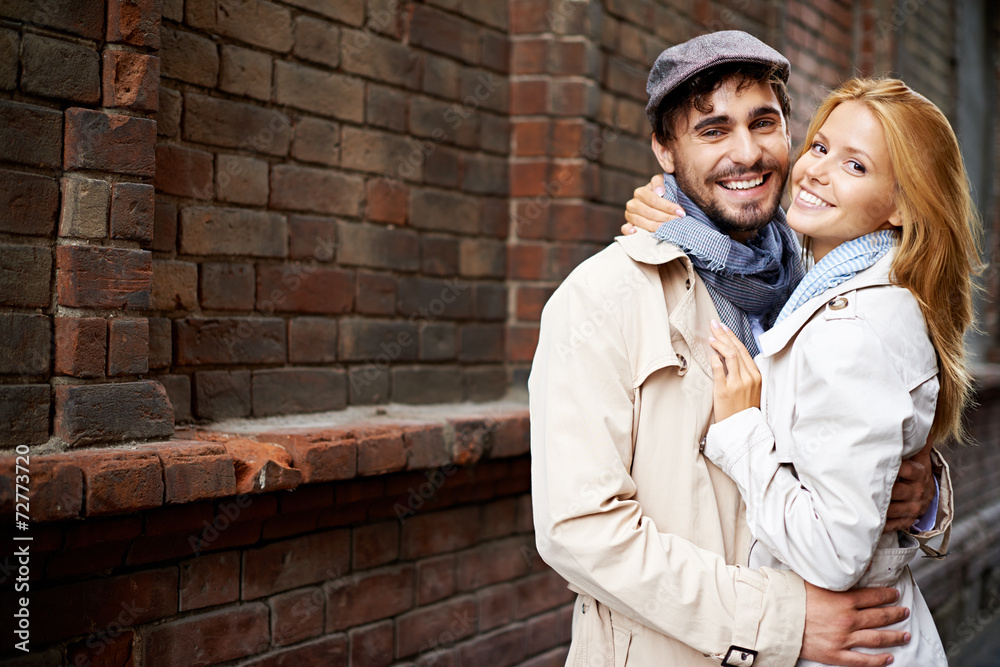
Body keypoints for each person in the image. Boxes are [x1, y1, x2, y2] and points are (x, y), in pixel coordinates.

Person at [529, 31, 949, 667]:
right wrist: (784, 621)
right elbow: (582, 531)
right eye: (712, 130)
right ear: (664, 152)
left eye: (764, 122)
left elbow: (856, 443)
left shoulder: (817, 279)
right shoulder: (600, 300)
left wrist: (923, 490)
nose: (747, 153)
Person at [629, 77, 979, 666]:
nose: (817, 170)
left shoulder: (851, 322)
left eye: (855, 165)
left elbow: (835, 552)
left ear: (901, 204)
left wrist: (740, 429)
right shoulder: (802, 275)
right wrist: (672, 211)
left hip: (846, 640)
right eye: (820, 147)